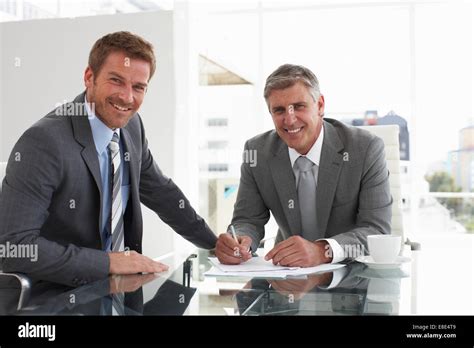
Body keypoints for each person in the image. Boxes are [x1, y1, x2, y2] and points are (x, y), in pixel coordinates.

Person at [0, 31, 217, 287]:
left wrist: (213, 244)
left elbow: (161, 191)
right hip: (56, 298)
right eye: (116, 81)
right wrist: (109, 262)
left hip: (120, 290)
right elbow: (13, 247)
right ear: (89, 77)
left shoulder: (132, 126)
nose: (127, 97)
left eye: (138, 87)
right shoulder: (44, 142)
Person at [216, 64, 391, 267]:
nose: (289, 120)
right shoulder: (257, 152)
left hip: (352, 278)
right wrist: (240, 242)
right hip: (287, 276)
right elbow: (247, 219)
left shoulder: (365, 148)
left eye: (299, 106)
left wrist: (322, 250)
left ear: (320, 105)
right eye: (279, 110)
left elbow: (376, 230)